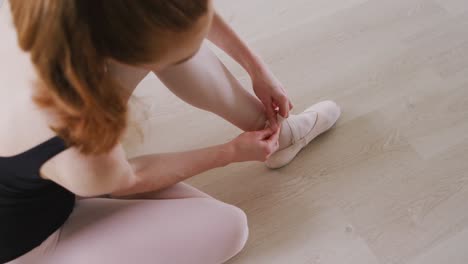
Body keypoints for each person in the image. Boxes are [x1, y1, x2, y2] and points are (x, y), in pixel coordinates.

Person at [0, 0, 341, 263]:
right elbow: (128, 177)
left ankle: (276, 135)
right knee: (228, 226)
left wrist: (256, 67)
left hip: (62, 173)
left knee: (164, 36)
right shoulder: (72, 125)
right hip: (29, 247)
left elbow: (173, 12)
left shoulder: (58, 13)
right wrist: (229, 153)